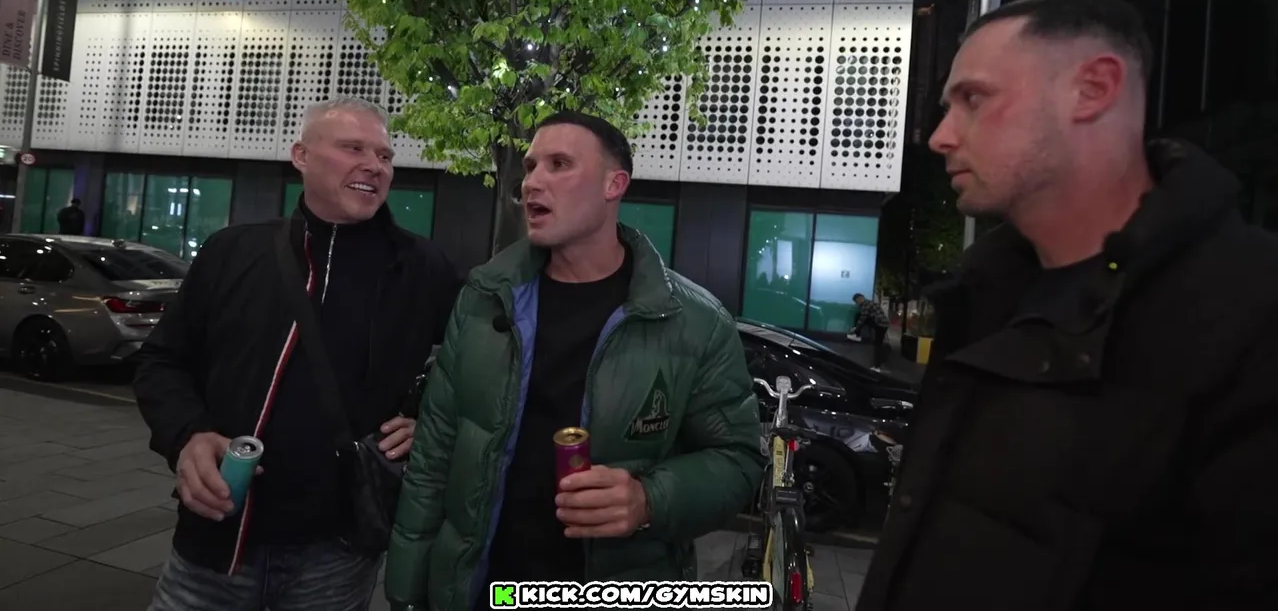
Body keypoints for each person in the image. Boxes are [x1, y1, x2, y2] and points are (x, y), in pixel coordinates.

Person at [856, 0, 1278, 611]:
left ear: (1093, 89)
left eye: (974, 99)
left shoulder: (1250, 317)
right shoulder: (983, 295)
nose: (942, 137)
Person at [384, 110, 764, 611]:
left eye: (559, 164)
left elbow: (737, 460)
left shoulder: (694, 321)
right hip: (480, 588)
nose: (532, 182)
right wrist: (407, 592)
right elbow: (435, 455)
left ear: (614, 185)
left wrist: (648, 500)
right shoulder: (484, 298)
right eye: (530, 166)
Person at [133, 97, 463, 610]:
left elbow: (478, 370)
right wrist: (187, 436)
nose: (374, 166)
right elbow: (161, 362)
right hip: (217, 540)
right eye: (353, 148)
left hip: (339, 553)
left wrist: (431, 423)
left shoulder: (423, 269)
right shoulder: (233, 252)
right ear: (301, 156)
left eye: (384, 155)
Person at [848, 292, 890, 370]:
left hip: (880, 324)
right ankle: (857, 335)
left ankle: (877, 367)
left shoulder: (866, 304)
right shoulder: (869, 303)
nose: (857, 304)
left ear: (860, 298)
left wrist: (855, 329)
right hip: (882, 323)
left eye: (857, 302)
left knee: (878, 345)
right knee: (878, 344)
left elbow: (863, 318)